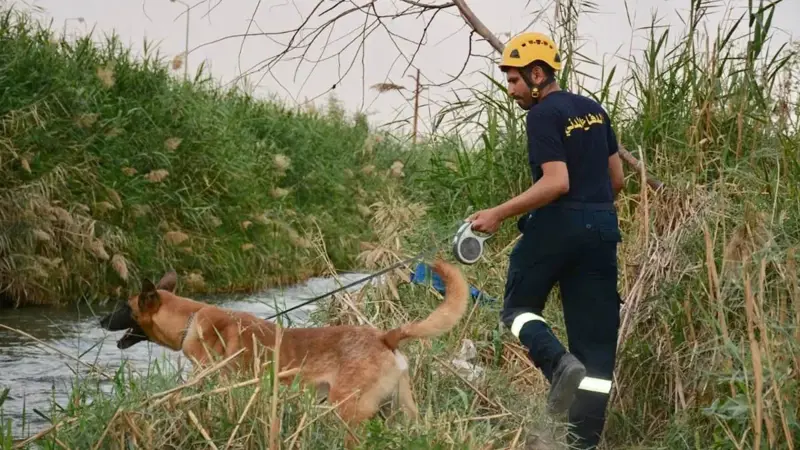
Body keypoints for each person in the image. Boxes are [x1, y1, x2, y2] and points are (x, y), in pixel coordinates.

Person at [466, 31, 625, 449]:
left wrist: (498, 213)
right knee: (596, 357)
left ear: (538, 74)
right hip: (603, 229)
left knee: (516, 310)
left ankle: (557, 365)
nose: (511, 89)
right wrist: (591, 212)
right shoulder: (594, 109)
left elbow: (556, 183)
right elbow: (617, 180)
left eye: (515, 80)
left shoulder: (540, 115)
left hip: (558, 225)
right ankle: (581, 445)